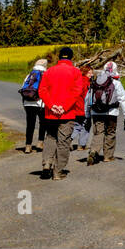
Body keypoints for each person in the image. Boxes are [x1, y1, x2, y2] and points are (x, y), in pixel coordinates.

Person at [38, 46, 88, 180]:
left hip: (50, 113)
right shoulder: (75, 72)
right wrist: (64, 107)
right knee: (63, 142)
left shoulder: (49, 71)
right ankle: (58, 171)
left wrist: (52, 106)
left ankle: (47, 164)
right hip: (67, 113)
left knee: (50, 137)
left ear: (59, 57)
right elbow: (77, 92)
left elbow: (42, 90)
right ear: (71, 58)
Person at [85, 61, 125, 165]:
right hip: (111, 112)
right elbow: (123, 99)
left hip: (96, 112)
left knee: (98, 133)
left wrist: (87, 115)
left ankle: (93, 151)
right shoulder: (116, 83)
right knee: (110, 133)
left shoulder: (95, 82)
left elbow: (87, 99)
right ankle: (108, 156)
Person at [18, 59, 47, 153]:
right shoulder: (45, 75)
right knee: (43, 123)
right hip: (40, 103)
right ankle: (40, 143)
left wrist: (24, 103)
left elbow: (23, 88)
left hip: (28, 103)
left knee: (30, 124)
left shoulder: (29, 75)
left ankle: (28, 145)